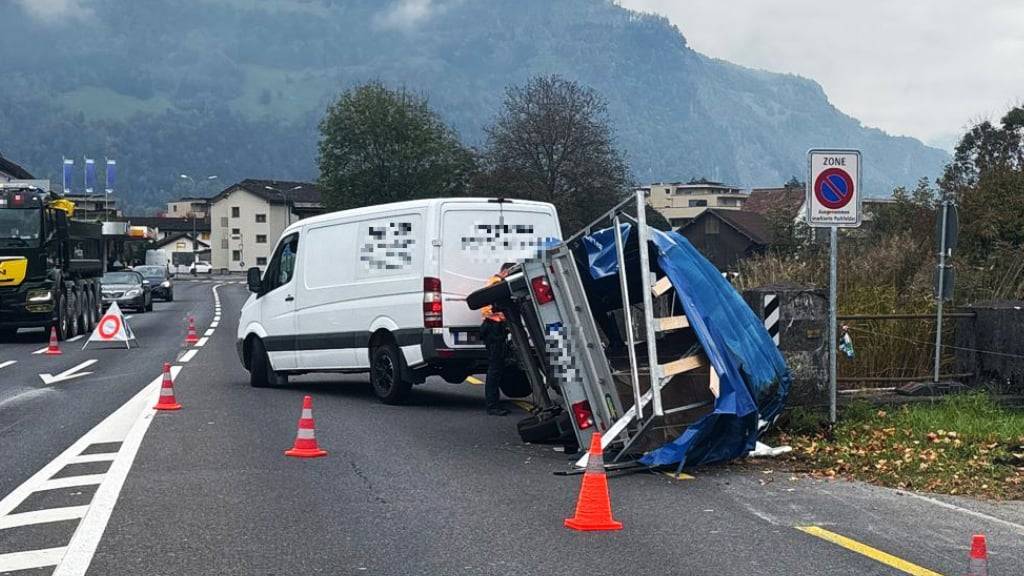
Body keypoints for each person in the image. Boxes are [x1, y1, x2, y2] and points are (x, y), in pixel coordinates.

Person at [480, 262, 515, 416]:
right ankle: (492, 405)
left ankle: (493, 403)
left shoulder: (493, 282)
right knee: (495, 368)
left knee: (497, 367)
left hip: (493, 328)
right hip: (494, 328)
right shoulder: (497, 284)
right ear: (506, 271)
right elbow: (493, 309)